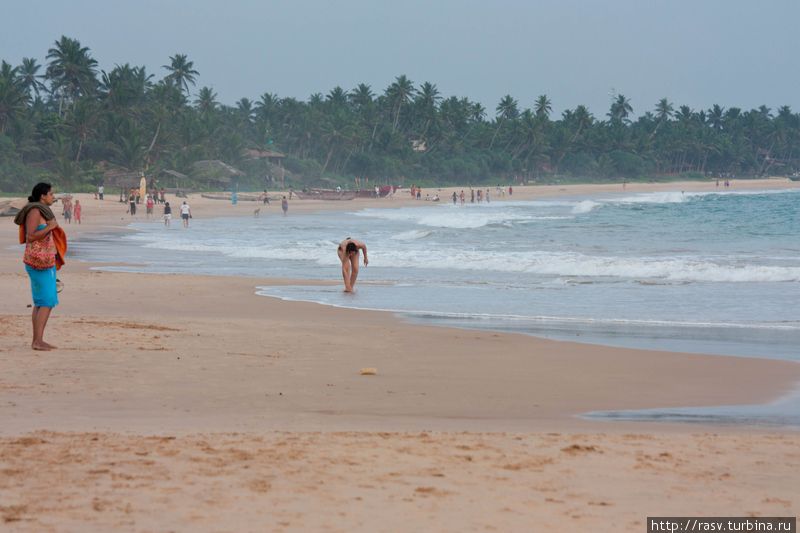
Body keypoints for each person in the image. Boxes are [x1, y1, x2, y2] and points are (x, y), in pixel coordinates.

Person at [14, 183, 61, 351]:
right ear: (42, 196)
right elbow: (31, 236)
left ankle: (37, 340)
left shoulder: (41, 210)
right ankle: (38, 341)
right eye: (51, 194)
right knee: (47, 301)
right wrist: (50, 227)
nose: (53, 197)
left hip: (45, 262)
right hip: (38, 262)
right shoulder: (35, 211)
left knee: (41, 302)